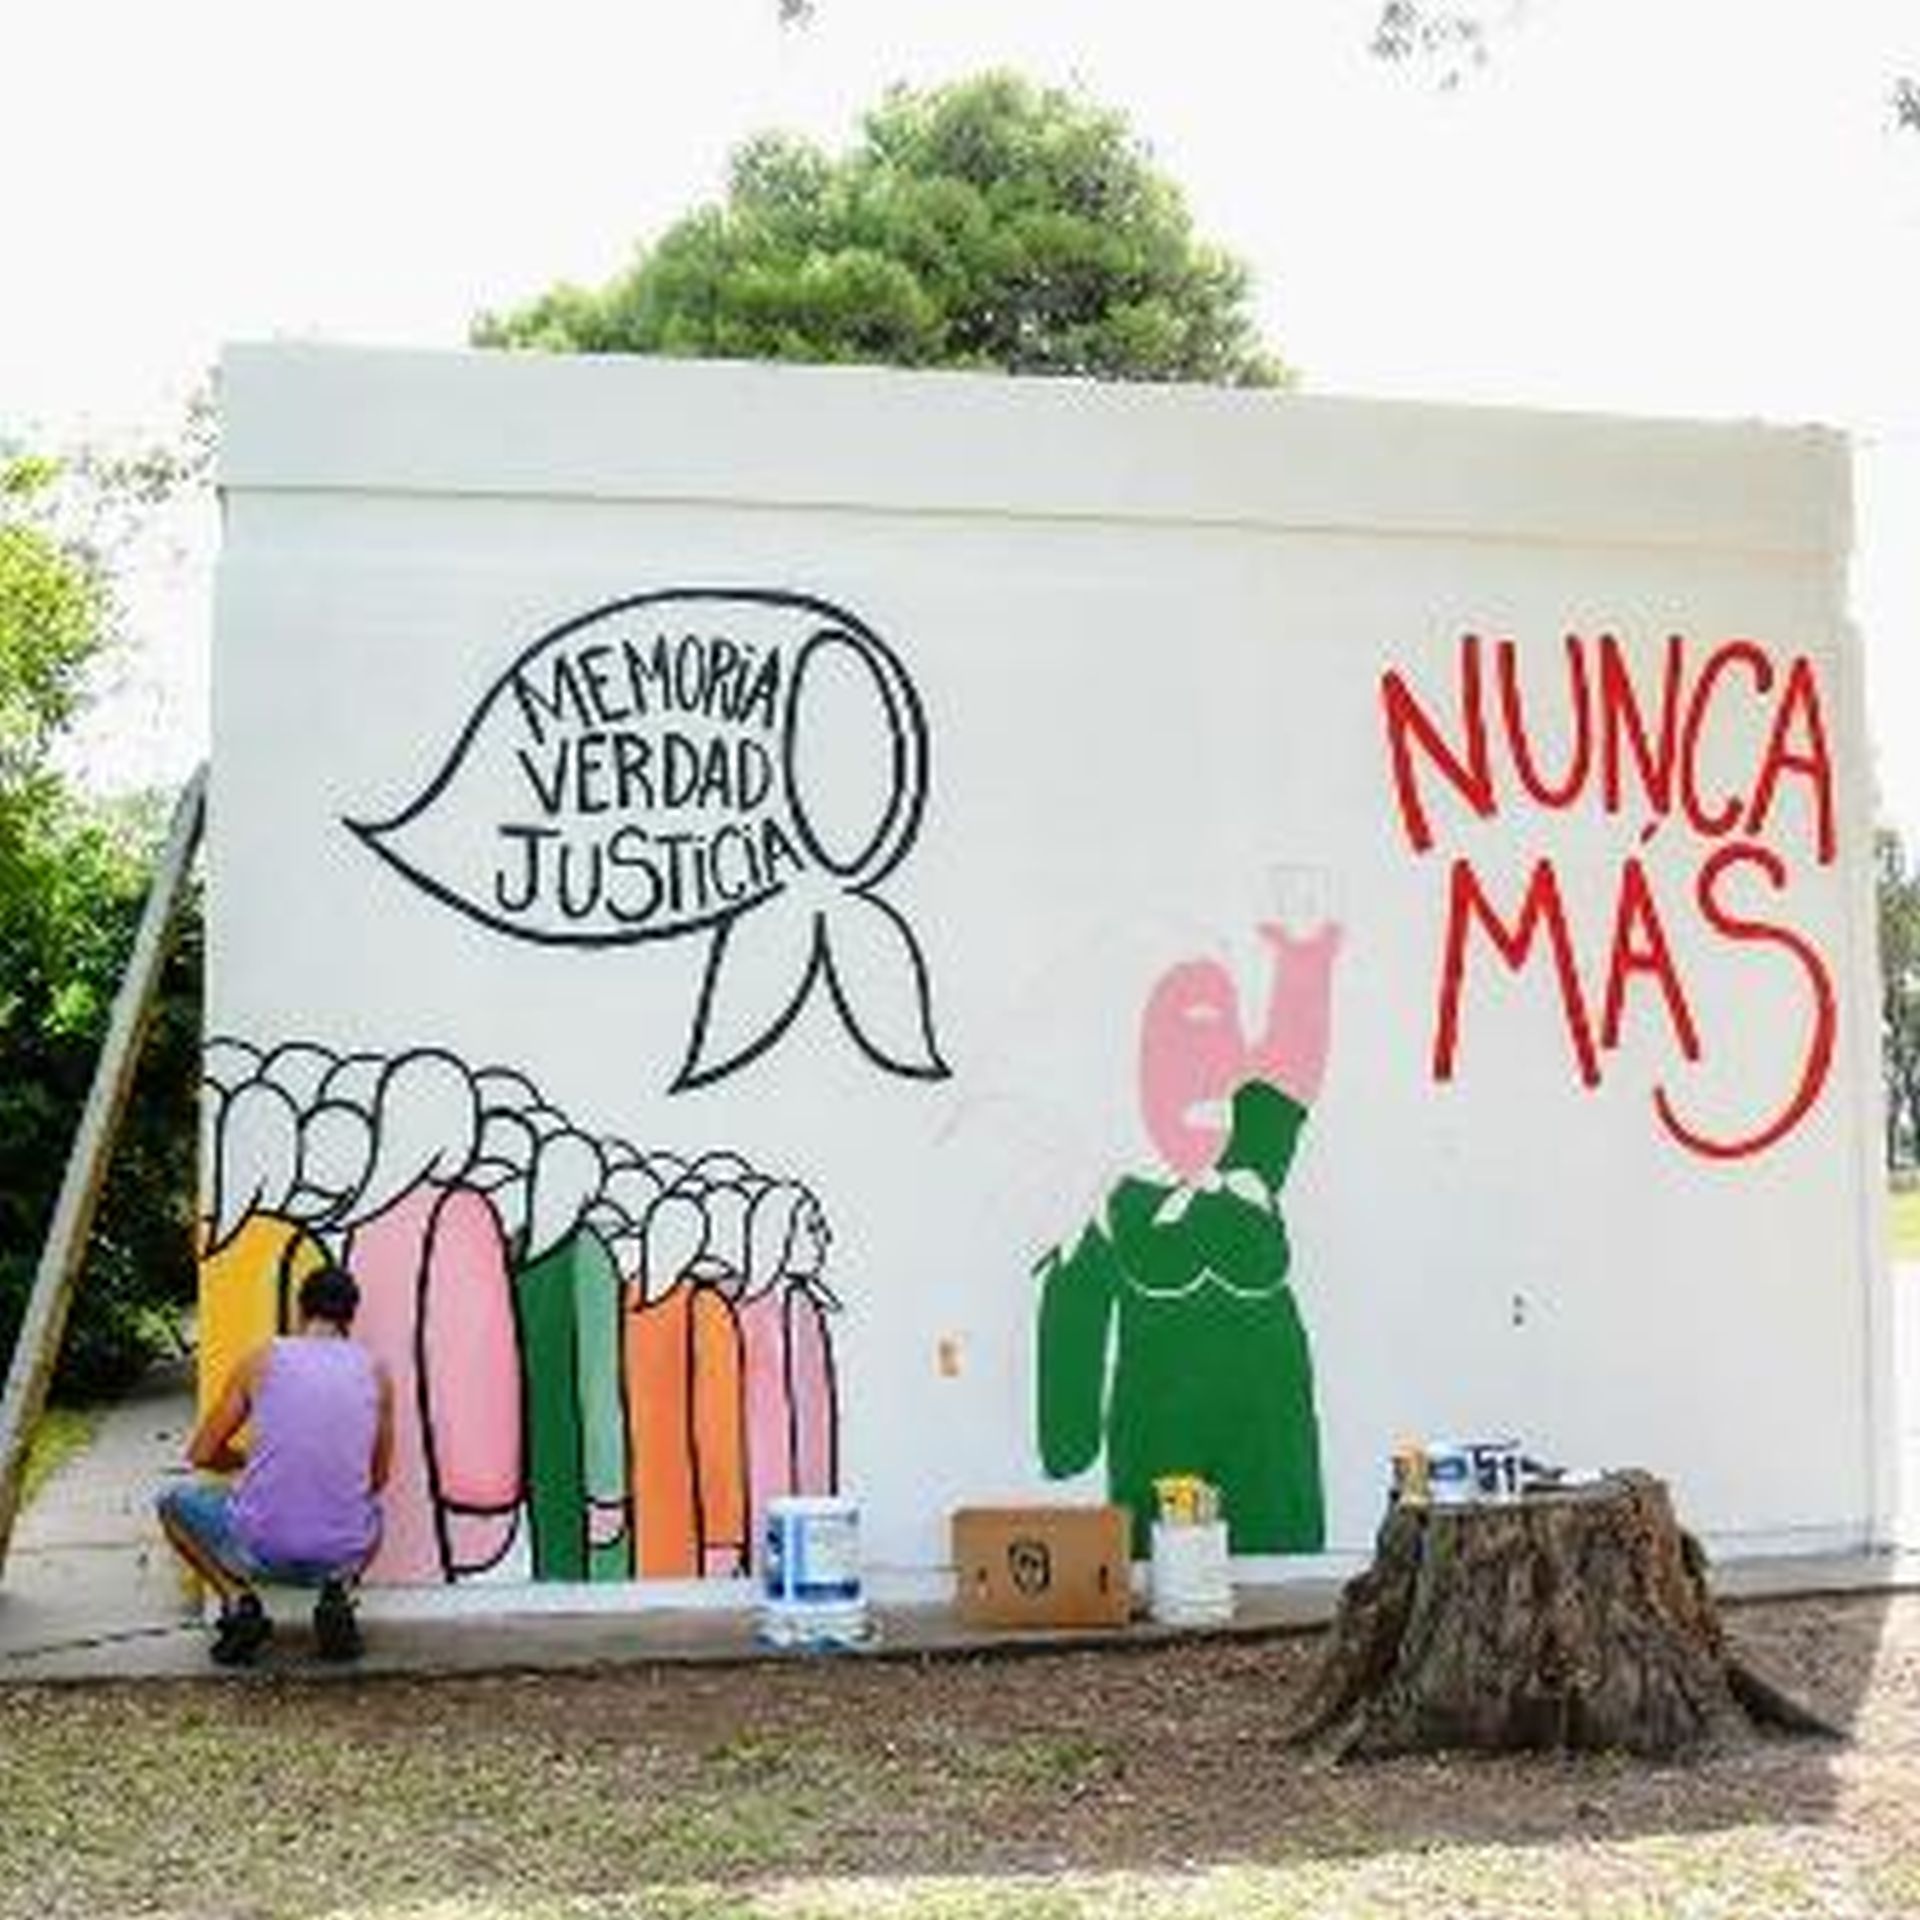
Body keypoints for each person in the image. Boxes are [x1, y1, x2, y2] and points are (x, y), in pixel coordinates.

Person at [157, 1263, 394, 1665]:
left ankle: (238, 1603)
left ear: (300, 1309)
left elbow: (201, 1453)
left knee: (170, 1503)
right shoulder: (376, 1372)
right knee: (373, 1512)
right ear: (350, 1317)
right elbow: (378, 1478)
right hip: (340, 1553)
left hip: (259, 1551)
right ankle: (337, 1595)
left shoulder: (262, 1360)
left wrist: (246, 1460)